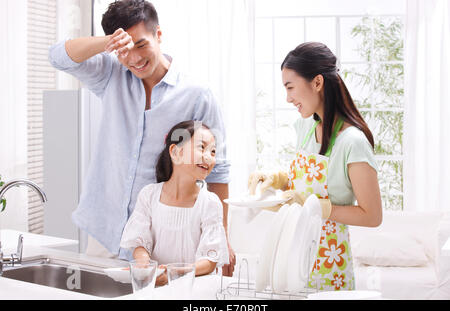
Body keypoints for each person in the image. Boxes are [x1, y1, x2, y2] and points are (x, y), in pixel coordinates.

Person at [48, 0, 235, 275]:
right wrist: (107, 44)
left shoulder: (197, 94)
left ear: (158, 35)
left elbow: (218, 170)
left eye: (141, 44)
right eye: (124, 49)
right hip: (104, 229)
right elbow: (57, 57)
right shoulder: (111, 75)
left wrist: (222, 240)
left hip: (158, 237)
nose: (134, 58)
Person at [248, 42, 382, 291]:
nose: (288, 98)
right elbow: (302, 187)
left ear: (317, 82)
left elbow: (372, 215)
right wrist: (278, 179)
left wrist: (319, 208)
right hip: (293, 258)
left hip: (330, 265)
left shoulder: (353, 142)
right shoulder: (305, 127)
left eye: (290, 87)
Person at [120, 120, 229, 286]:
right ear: (175, 152)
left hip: (193, 291)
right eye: (201, 147)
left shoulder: (209, 202)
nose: (209, 157)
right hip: (156, 290)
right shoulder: (149, 195)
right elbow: (139, 242)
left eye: (213, 152)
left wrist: (176, 273)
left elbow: (210, 260)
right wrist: (144, 264)